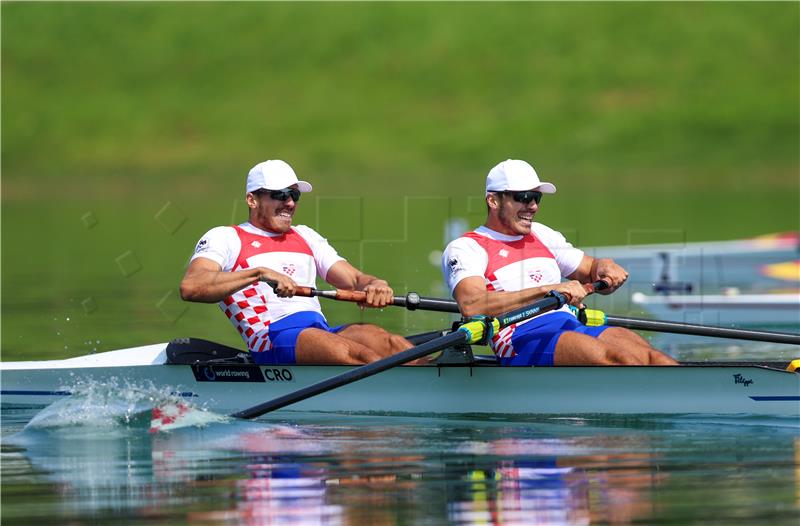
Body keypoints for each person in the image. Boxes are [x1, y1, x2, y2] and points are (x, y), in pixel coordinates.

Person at [441, 159, 677, 366]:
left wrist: (603, 266)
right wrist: (549, 290)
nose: (533, 206)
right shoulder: (467, 247)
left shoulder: (542, 234)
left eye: (536, 197)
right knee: (620, 360)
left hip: (568, 324)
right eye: (523, 197)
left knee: (655, 359)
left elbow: (590, 269)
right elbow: (472, 304)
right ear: (493, 200)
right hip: (520, 337)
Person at [180, 159, 414, 365]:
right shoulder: (226, 237)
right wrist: (260, 273)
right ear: (252, 200)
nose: (290, 203)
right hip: (272, 338)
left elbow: (353, 280)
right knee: (365, 357)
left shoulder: (305, 236)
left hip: (319, 331)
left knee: (391, 345)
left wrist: (376, 283)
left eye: (295, 195)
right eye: (280, 194)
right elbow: (192, 287)